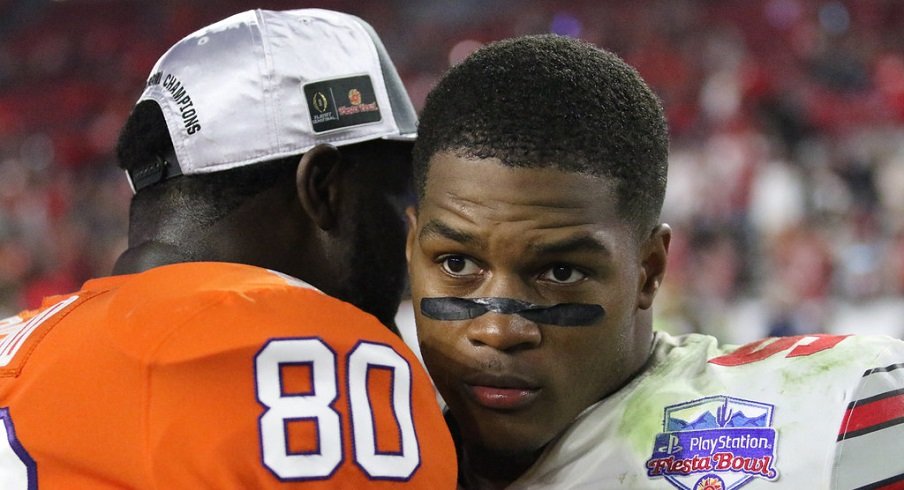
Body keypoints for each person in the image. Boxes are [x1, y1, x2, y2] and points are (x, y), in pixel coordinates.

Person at [405, 34, 904, 489]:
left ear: (650, 270)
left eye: (560, 272)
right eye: (456, 263)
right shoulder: (364, 445)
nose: (499, 329)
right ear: (411, 251)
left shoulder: (833, 413)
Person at [0, 9, 456, 489]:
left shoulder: (19, 344)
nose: (411, 223)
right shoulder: (319, 355)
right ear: (324, 190)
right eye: (399, 193)